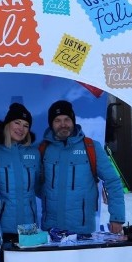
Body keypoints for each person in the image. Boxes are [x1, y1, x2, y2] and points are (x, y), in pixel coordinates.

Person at [39, 100, 125, 234]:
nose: (63, 124)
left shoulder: (91, 147)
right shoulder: (43, 149)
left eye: (67, 119)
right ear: (51, 124)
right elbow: (34, 184)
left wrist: (117, 217)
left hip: (82, 231)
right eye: (57, 120)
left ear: (73, 121)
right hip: (51, 230)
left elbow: (113, 181)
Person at [0, 102, 42, 244]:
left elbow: (41, 186)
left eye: (26, 125)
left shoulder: (34, 153)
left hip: (29, 228)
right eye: (17, 123)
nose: (21, 129)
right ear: (7, 124)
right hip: (1, 228)